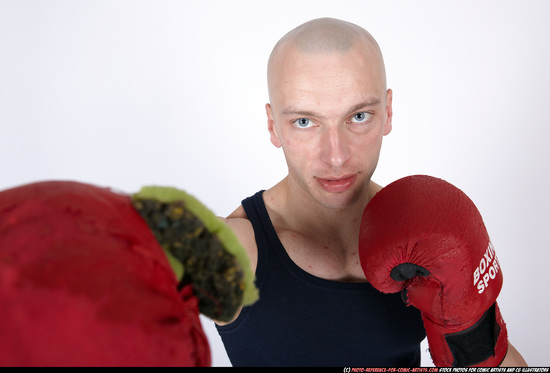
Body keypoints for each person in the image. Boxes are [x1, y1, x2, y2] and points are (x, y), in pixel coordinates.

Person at [214, 17, 527, 367]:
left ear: (388, 112)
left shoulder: (424, 234)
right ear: (273, 127)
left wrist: (471, 332)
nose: (336, 156)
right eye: (304, 122)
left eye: (359, 116)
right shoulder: (237, 250)